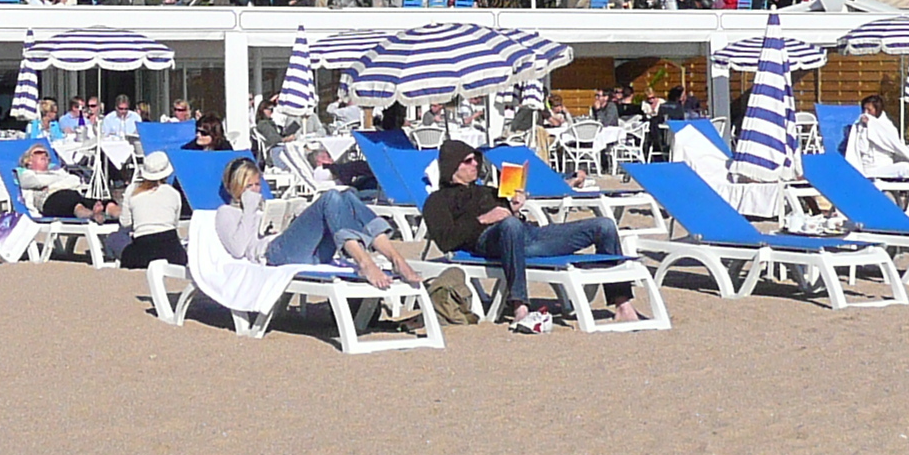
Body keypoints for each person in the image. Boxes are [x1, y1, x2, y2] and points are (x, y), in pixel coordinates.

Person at [418, 139, 630, 332]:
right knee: (510, 225)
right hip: (488, 241)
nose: (475, 164)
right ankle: (520, 305)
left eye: (476, 159)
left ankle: (622, 304)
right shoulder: (437, 201)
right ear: (453, 166)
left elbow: (512, 217)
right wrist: (483, 219)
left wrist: (515, 207)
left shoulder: (489, 191)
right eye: (468, 161)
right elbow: (445, 240)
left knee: (604, 225)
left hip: (530, 236)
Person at [216, 155, 426, 288]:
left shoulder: (265, 204)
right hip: (275, 253)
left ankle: (397, 259)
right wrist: (250, 208)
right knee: (331, 197)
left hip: (307, 249)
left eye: (256, 185)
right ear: (234, 187)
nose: (255, 190)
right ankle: (364, 261)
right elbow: (238, 249)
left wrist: (294, 214)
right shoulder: (225, 212)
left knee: (349, 197)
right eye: (248, 187)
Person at [112, 151, 190, 267]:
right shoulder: (173, 193)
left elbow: (125, 223)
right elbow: (174, 223)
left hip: (142, 252)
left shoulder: (132, 190)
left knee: (114, 238)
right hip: (173, 252)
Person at [842, 94, 909, 193]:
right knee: (905, 167)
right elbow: (862, 149)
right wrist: (864, 129)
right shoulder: (860, 126)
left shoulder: (887, 126)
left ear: (878, 110)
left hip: (887, 166)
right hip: (871, 168)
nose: (866, 113)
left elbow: (896, 145)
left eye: (869, 110)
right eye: (864, 109)